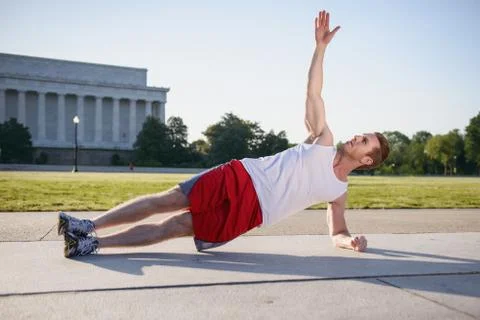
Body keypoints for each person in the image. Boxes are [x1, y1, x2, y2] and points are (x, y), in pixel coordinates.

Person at [59, 10, 389, 258]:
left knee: (175, 227)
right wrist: (320, 49)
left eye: (365, 142)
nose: (357, 138)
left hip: (254, 212)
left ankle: (91, 243)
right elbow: (313, 93)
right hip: (242, 176)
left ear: (368, 160)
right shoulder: (324, 139)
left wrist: (351, 241)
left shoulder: (338, 191)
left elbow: (338, 232)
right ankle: (88, 224)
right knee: (168, 201)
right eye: (361, 134)